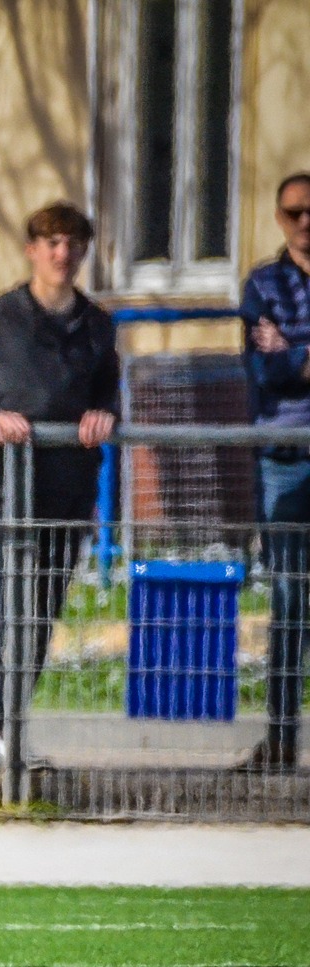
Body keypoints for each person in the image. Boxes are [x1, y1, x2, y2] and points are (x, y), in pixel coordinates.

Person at [0, 201, 119, 771]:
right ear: (33, 249)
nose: (63, 254)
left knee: (41, 610)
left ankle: (11, 727)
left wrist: (103, 414)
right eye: (52, 243)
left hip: (72, 489)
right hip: (14, 489)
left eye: (73, 244)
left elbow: (108, 391)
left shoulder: (97, 325)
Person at [240, 172, 310, 772]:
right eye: (293, 213)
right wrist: (288, 359)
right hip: (285, 457)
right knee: (288, 601)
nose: (305, 221)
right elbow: (266, 375)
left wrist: (293, 351)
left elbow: (285, 362)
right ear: (279, 218)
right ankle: (282, 739)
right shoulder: (263, 284)